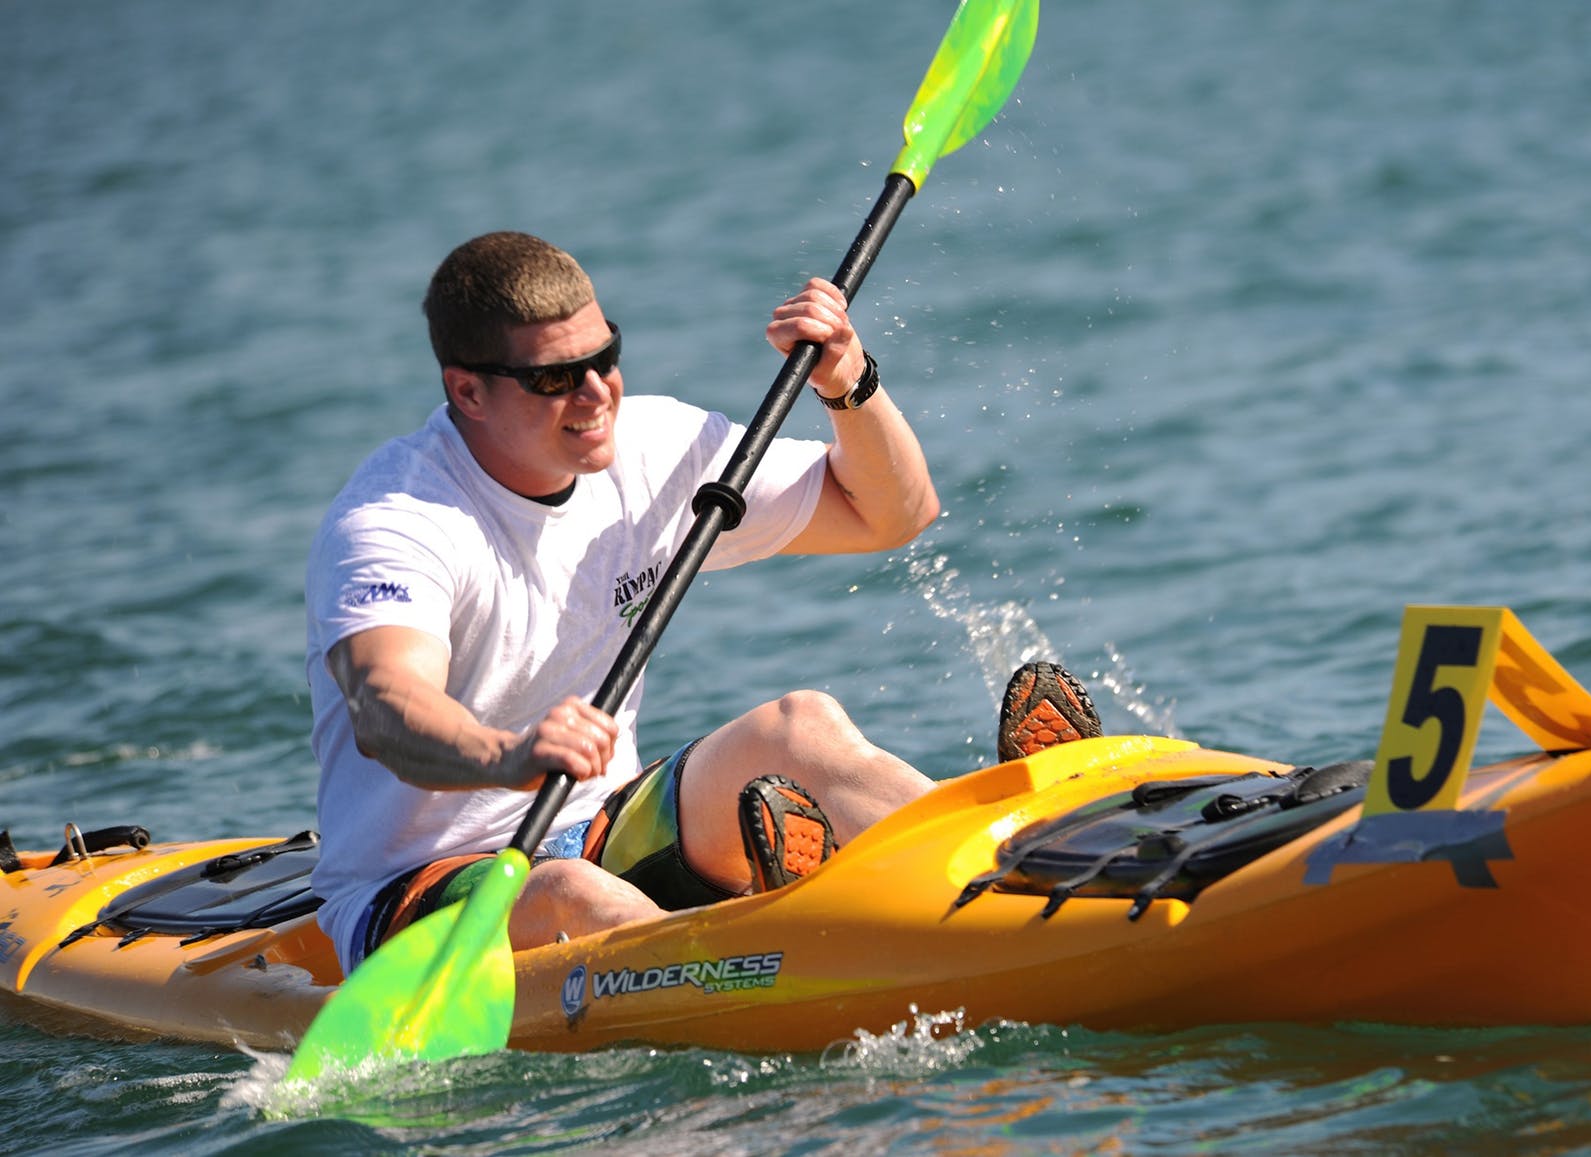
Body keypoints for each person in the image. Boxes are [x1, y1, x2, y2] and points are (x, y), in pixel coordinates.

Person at [305, 231, 1100, 974]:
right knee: (570, 895)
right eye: (554, 378)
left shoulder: (650, 449)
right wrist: (508, 758)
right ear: (467, 392)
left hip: (600, 822)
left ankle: (1023, 859)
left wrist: (848, 382)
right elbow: (387, 708)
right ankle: (778, 946)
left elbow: (893, 514)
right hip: (419, 884)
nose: (595, 393)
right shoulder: (397, 521)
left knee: (802, 726)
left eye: (605, 356)